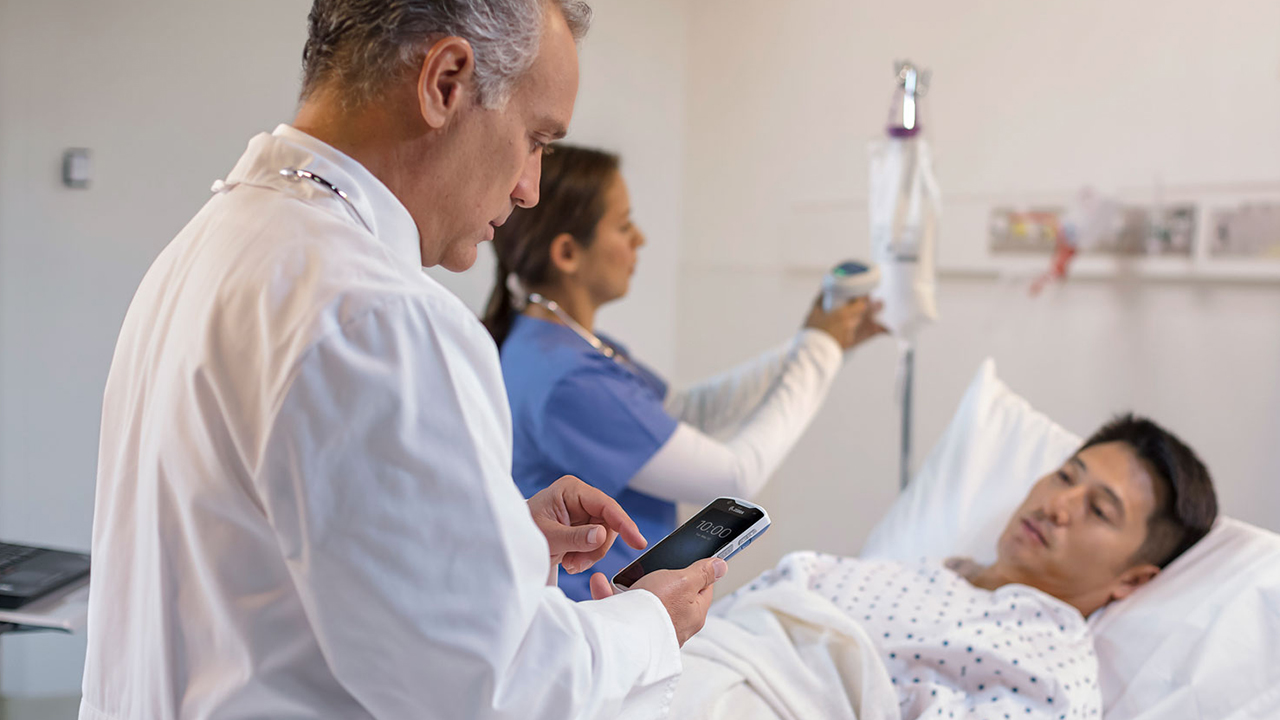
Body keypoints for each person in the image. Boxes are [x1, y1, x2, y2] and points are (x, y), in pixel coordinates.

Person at [80, 3, 726, 719]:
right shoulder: (380, 316)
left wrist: (495, 544)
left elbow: (258, 574)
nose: (528, 190)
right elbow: (489, 690)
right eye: (534, 140)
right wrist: (650, 624)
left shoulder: (210, 245)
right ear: (446, 81)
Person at [483, 145, 885, 600]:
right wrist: (820, 347)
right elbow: (735, 478)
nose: (640, 240)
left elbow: (687, 410)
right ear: (568, 253)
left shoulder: (557, 343)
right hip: (596, 613)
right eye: (623, 225)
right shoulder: (571, 380)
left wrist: (821, 342)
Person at [672, 413, 1218, 719]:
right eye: (1066, 476)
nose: (1058, 505)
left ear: (1134, 579)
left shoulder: (1051, 667)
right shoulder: (922, 572)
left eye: (1098, 510)